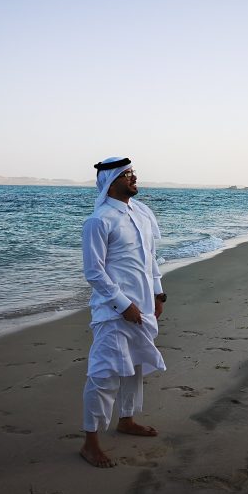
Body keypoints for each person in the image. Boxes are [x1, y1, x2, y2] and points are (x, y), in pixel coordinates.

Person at [79, 156, 168, 468]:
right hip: (113, 312)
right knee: (103, 374)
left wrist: (158, 293)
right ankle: (90, 443)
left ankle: (126, 420)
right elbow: (94, 272)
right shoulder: (99, 220)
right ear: (110, 181)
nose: (133, 177)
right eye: (127, 174)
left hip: (143, 307)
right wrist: (122, 304)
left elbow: (150, 258)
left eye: (133, 173)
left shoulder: (141, 215)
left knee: (136, 367)